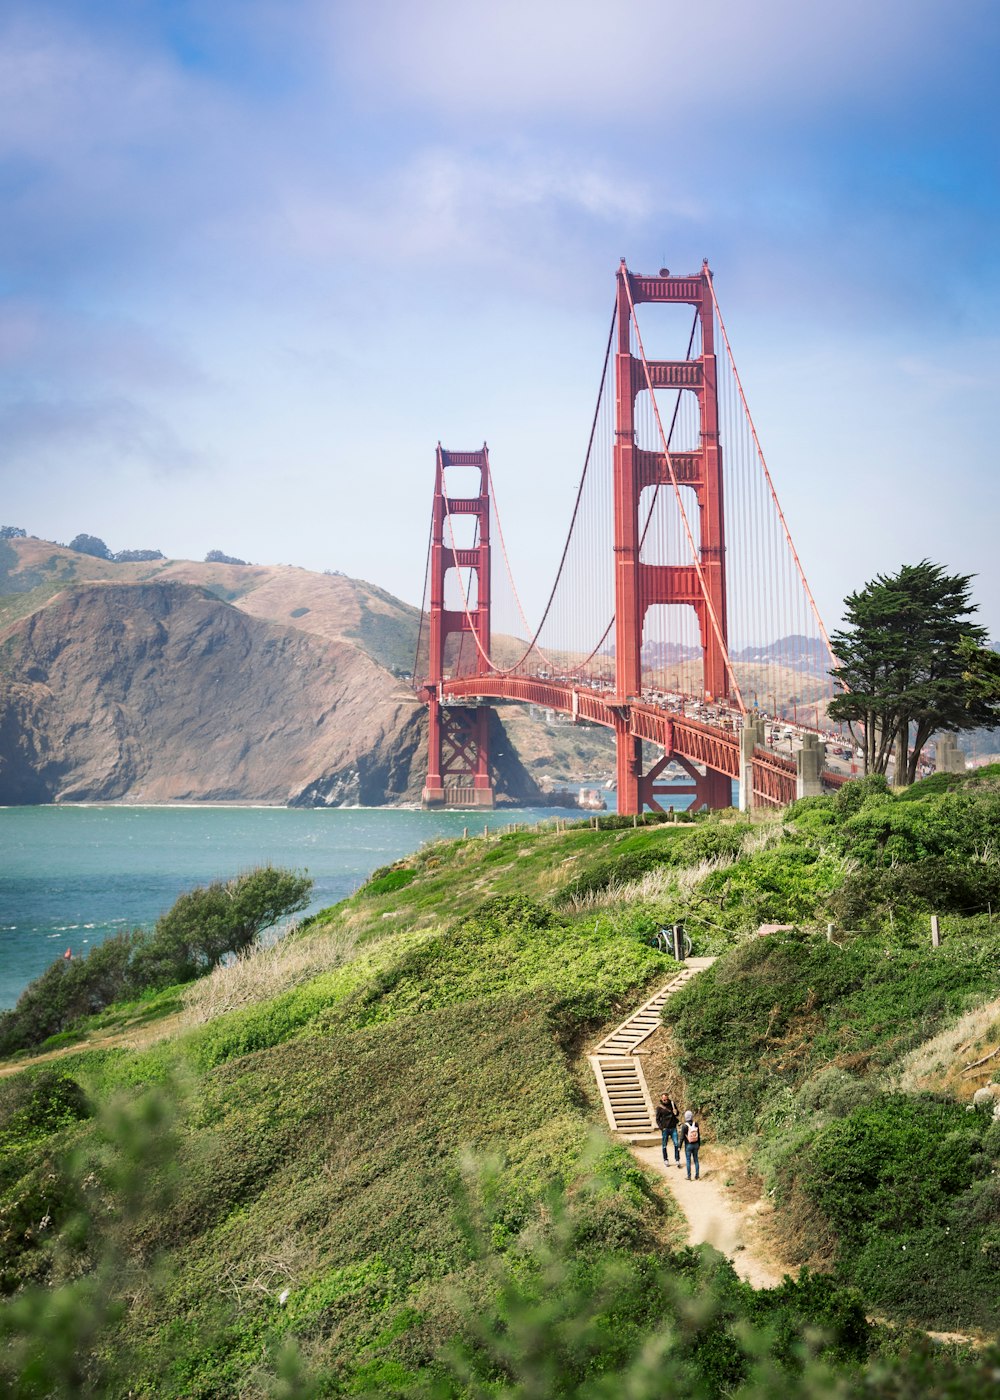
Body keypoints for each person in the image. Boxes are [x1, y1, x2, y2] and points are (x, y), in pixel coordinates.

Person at [655, 1093, 680, 1167]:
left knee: (676, 1144)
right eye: (664, 1099)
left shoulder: (672, 1104)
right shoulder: (659, 1108)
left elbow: (676, 1114)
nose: (665, 1100)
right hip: (665, 1129)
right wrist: (661, 1128)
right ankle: (666, 1160)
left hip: (673, 1127)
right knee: (664, 1145)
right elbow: (657, 1119)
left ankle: (677, 1159)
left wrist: (676, 1112)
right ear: (662, 1099)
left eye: (666, 1099)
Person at [680, 1109, 701, 1180]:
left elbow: (682, 1137)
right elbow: (699, 1135)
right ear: (692, 1116)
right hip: (696, 1144)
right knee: (696, 1160)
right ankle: (697, 1175)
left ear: (685, 1117)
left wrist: (679, 1146)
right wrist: (699, 1144)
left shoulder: (684, 1126)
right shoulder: (696, 1124)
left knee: (688, 1161)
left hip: (688, 1145)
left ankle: (689, 1176)